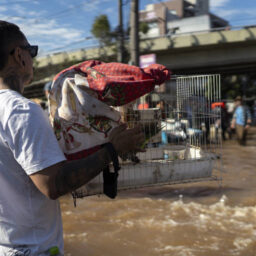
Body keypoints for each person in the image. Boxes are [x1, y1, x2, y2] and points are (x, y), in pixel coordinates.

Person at [0, 20, 146, 255]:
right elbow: (53, 184)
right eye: (32, 51)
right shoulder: (22, 111)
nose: (33, 58)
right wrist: (112, 149)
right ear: (19, 55)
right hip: (33, 249)